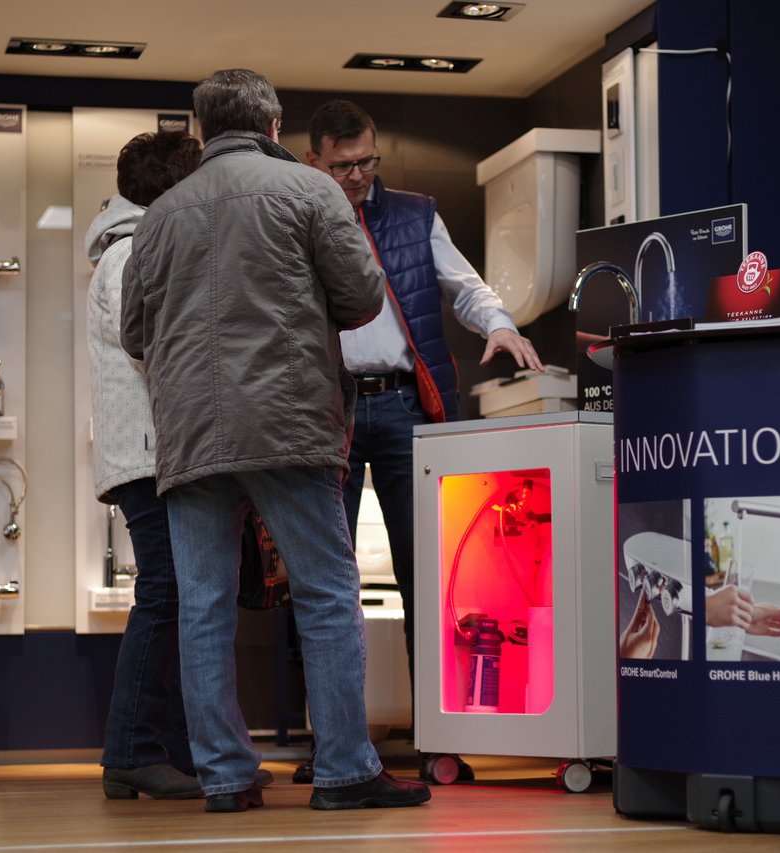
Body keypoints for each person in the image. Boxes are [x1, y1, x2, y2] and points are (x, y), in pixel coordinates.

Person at [121, 69, 430, 814]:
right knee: (325, 594)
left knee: (203, 607)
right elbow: (362, 296)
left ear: (202, 129)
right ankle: (345, 771)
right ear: (274, 124)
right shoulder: (310, 190)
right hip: (290, 424)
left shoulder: (158, 217)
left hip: (192, 434)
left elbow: (134, 332)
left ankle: (226, 779)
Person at [303, 99, 544, 781]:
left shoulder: (414, 214)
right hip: (331, 409)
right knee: (328, 584)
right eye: (343, 166)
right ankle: (335, 747)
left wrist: (500, 324)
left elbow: (464, 286)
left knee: (428, 579)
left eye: (367, 162)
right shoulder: (300, 219)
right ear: (315, 161)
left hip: (407, 404)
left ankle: (438, 739)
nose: (358, 176)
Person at [87, 130, 276, 800]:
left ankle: (172, 748)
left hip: (148, 449)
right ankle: (132, 750)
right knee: (167, 592)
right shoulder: (132, 252)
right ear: (177, 188)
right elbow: (156, 349)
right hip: (149, 451)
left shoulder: (130, 247)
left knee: (175, 595)